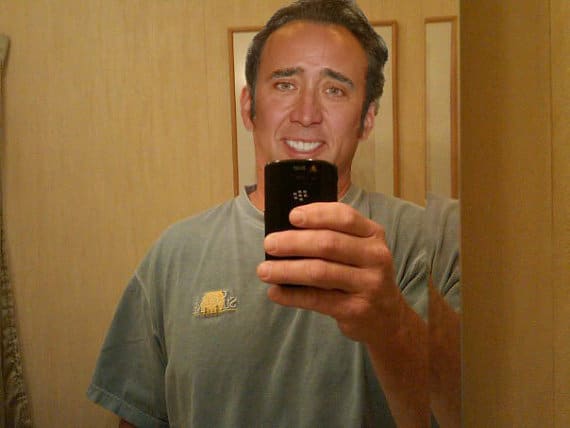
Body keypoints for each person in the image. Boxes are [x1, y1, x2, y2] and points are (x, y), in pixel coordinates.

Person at [88, 0, 453, 426]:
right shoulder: (173, 255)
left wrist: (392, 322)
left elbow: (480, 406)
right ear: (249, 106)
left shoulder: (430, 240)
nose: (306, 114)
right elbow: (138, 418)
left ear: (367, 119)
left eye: (334, 90)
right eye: (284, 84)